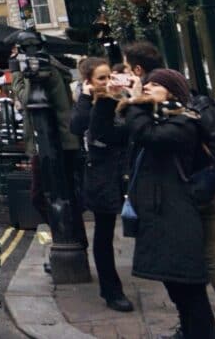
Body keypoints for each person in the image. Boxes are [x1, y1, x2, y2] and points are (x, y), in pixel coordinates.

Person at [123, 41, 215, 337]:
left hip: (186, 205)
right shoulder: (166, 117)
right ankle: (198, 328)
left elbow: (146, 135)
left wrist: (135, 101)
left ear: (171, 92)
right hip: (171, 208)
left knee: (198, 271)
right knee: (182, 281)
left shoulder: (183, 123)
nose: (147, 88)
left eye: (154, 85)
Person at [69, 57, 135, 312]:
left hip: (129, 171)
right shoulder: (87, 104)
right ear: (88, 81)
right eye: (101, 78)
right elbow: (79, 126)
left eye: (110, 76)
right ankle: (111, 290)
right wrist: (88, 97)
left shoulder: (124, 98)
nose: (108, 82)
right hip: (102, 175)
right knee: (104, 232)